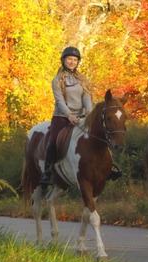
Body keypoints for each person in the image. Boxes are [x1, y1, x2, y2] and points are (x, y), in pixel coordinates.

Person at [40, 46, 93, 186]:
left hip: (81, 117)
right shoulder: (57, 80)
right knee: (53, 141)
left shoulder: (83, 79)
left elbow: (87, 97)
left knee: (99, 135)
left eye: (75, 60)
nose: (72, 62)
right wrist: (69, 115)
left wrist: (89, 112)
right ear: (64, 60)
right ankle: (48, 172)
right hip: (62, 117)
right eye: (69, 59)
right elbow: (60, 101)